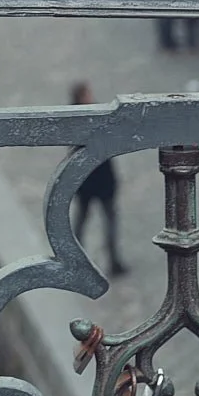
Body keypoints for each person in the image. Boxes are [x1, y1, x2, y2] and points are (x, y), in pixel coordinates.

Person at [69, 82, 126, 277]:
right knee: (87, 220)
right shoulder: (88, 118)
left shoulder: (76, 118)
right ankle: (77, 259)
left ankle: (110, 260)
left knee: (98, 221)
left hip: (91, 181)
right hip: (93, 180)